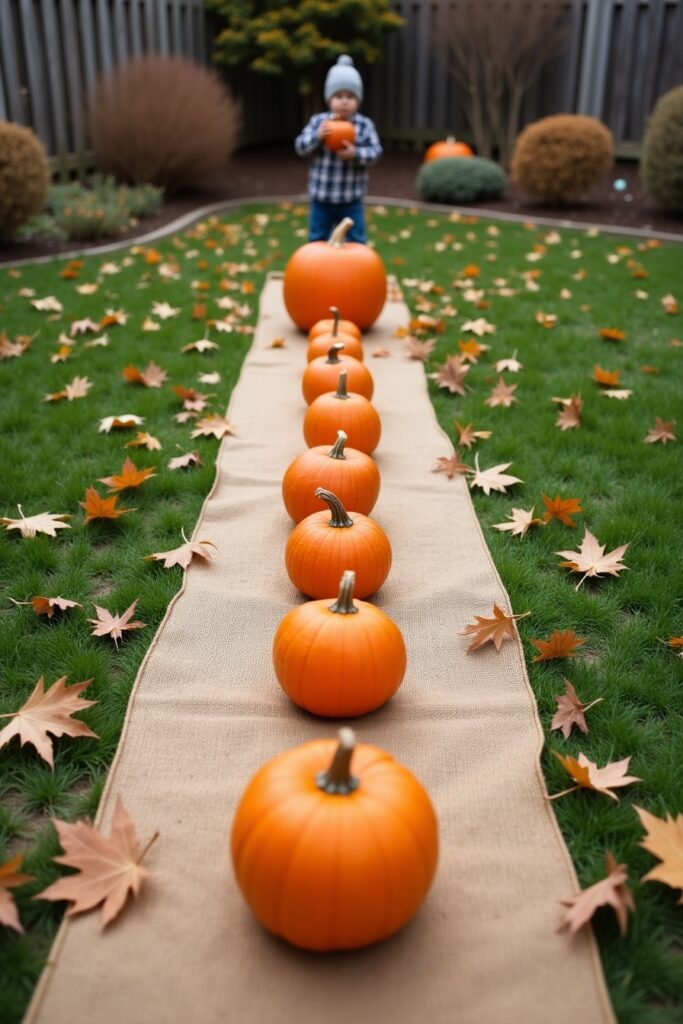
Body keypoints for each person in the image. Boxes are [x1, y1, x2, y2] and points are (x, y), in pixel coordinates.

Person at [294, 55, 382, 244]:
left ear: (357, 100)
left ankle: (358, 273)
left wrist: (356, 154)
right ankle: (315, 273)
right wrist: (317, 138)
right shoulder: (319, 122)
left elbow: (375, 153)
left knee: (357, 241)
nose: (344, 101)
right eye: (339, 96)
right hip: (321, 199)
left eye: (350, 97)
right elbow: (300, 146)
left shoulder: (364, 125)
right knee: (316, 241)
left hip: (350, 200)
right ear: (329, 99)